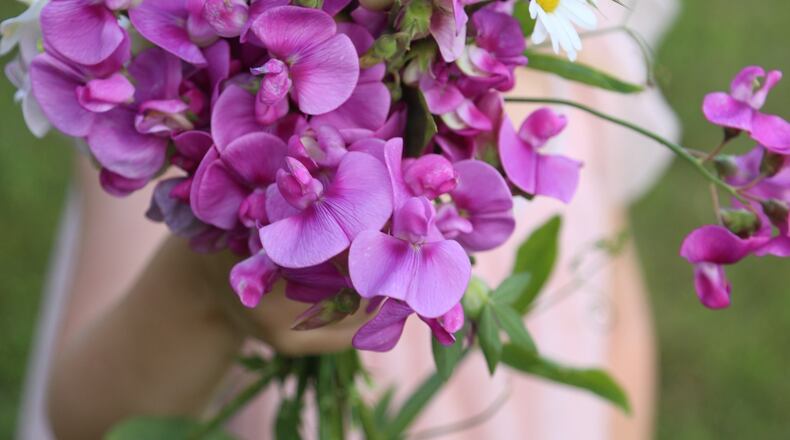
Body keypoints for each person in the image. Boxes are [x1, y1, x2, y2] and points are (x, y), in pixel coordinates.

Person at [17, 0, 679, 438]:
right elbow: (88, 419)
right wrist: (209, 293)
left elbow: (611, 307)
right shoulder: (155, 82)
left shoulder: (581, 46)